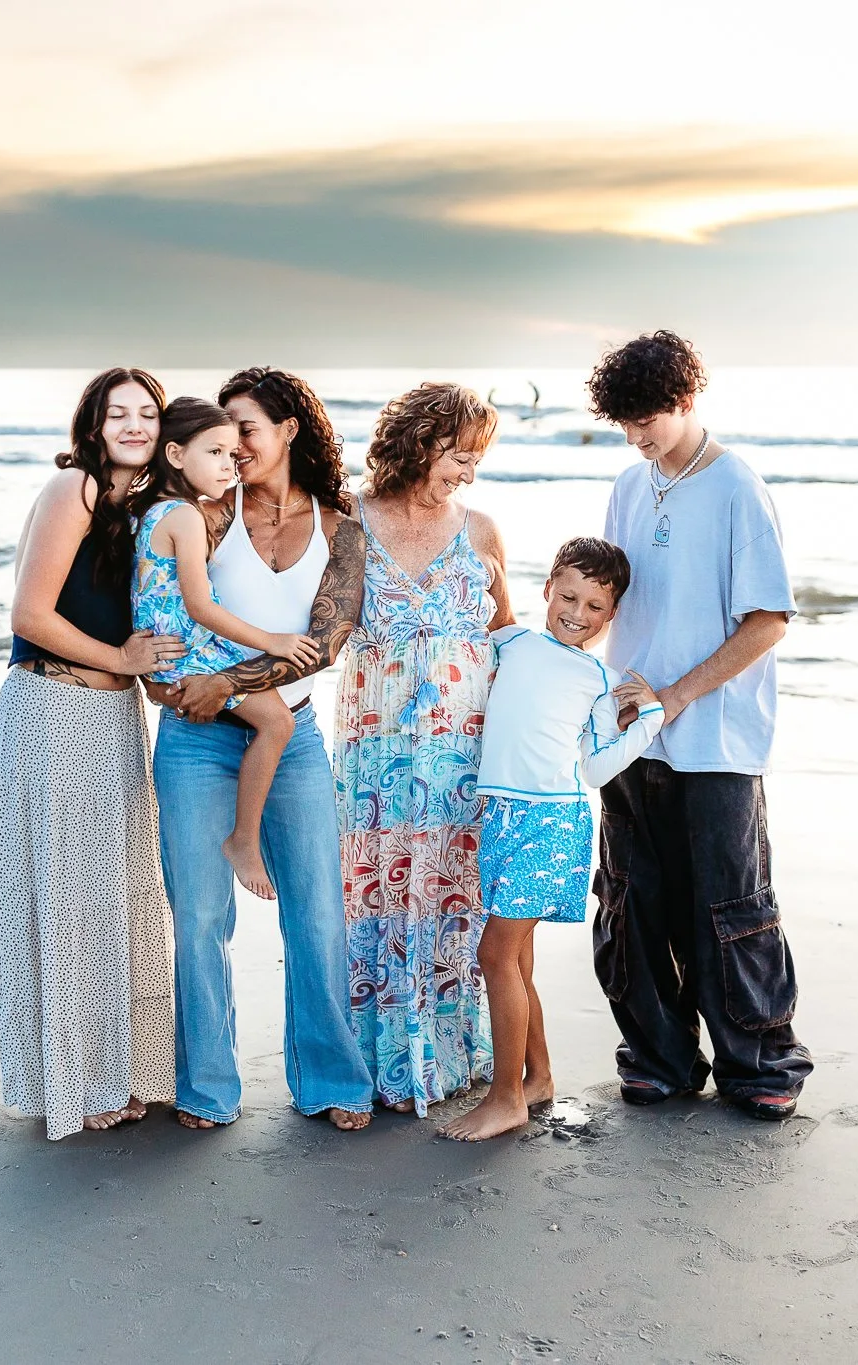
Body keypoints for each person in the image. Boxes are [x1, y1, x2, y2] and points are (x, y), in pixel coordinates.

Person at [588, 330, 812, 1120]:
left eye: (647, 416)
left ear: (686, 399)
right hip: (626, 732)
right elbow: (610, 597)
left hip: (716, 737)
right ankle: (659, 1057)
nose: (636, 434)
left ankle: (760, 1066)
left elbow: (768, 620)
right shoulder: (629, 482)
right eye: (623, 422)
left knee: (730, 904)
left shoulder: (738, 488)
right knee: (631, 900)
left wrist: (678, 694)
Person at [146, 368, 376, 1133]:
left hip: (295, 738)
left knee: (317, 915)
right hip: (195, 741)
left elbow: (326, 641)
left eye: (246, 427)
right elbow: (165, 602)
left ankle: (331, 1079)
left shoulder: (342, 524)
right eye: (224, 430)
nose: (235, 444)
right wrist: (179, 681)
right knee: (201, 917)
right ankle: (207, 1087)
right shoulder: (208, 513)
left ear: (288, 431)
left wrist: (225, 681)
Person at [0, 367, 184, 1139]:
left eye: (148, 413)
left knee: (117, 893)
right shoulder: (72, 490)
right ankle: (79, 1080)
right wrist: (123, 657)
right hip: (53, 706)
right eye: (119, 413)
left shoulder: (147, 511)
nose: (134, 425)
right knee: (71, 901)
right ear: (94, 423)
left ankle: (122, 1069)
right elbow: (30, 614)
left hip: (112, 716)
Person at [441, 538, 664, 1141]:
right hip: (502, 816)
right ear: (547, 590)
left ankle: (506, 1097)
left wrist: (650, 718)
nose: (578, 613)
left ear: (611, 615)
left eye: (595, 606)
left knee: (494, 955)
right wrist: (484, 569)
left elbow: (593, 769)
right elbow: (483, 608)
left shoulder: (600, 677)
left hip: (552, 822)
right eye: (568, 596)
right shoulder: (512, 643)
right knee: (515, 960)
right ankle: (537, 1077)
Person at [336, 382, 513, 1116]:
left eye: (476, 459)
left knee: (449, 898)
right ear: (418, 440)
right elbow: (315, 626)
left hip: (459, 757)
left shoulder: (482, 532)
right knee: (372, 897)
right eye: (460, 454)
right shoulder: (351, 521)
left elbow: (508, 633)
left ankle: (445, 1057)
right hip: (374, 757)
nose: (468, 471)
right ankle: (371, 1063)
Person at [128, 398, 321, 899]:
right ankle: (243, 839)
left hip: (171, 654)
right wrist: (271, 640)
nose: (229, 467)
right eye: (215, 452)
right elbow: (199, 605)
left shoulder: (151, 513)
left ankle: (244, 836)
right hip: (192, 650)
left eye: (234, 454)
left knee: (273, 721)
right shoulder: (186, 517)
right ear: (174, 454)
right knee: (279, 722)